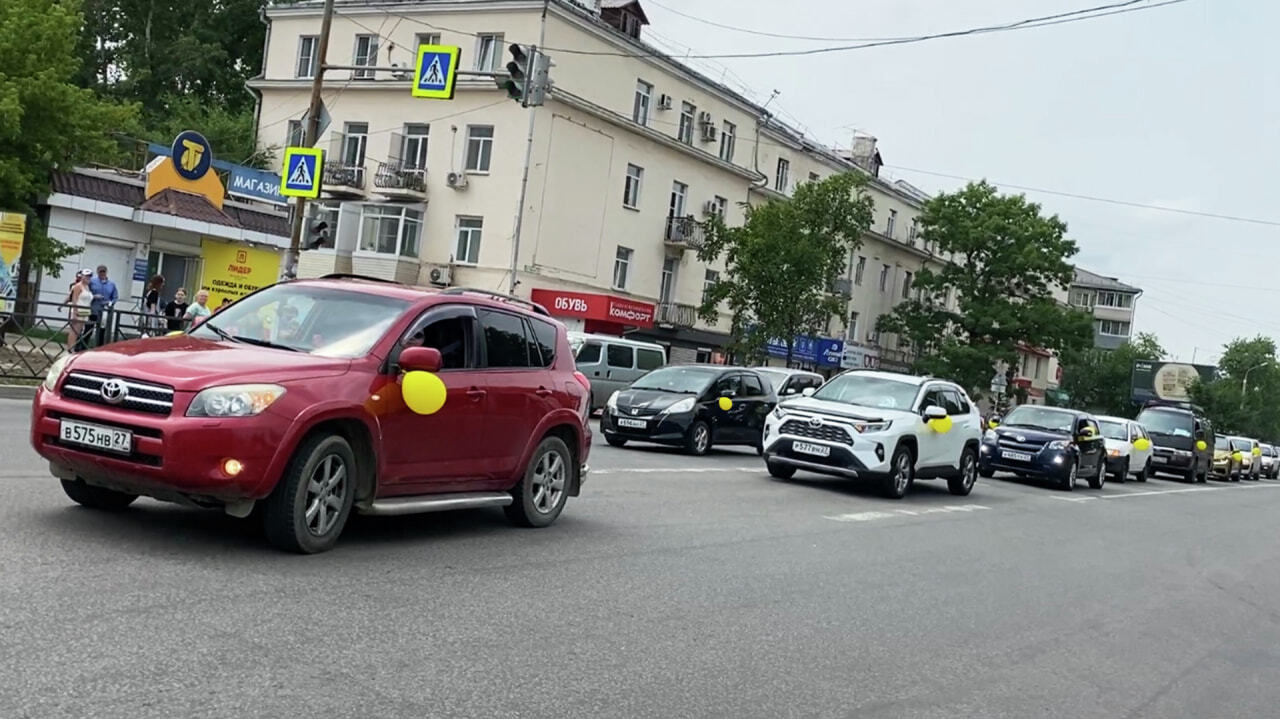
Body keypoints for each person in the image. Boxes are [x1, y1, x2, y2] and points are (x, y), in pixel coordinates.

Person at [87, 264, 118, 347]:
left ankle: (99, 347)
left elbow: (115, 297)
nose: (102, 273)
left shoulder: (111, 284)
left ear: (106, 272)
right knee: (88, 329)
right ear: (97, 272)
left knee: (102, 330)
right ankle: (82, 347)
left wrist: (110, 303)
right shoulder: (92, 282)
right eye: (100, 271)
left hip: (104, 311)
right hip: (93, 309)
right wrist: (93, 296)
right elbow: (86, 293)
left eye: (103, 271)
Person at [67, 270, 93, 351]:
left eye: (89, 276)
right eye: (86, 276)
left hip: (85, 312)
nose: (88, 278)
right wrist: (75, 312)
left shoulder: (87, 287)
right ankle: (70, 349)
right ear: (82, 276)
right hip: (78, 311)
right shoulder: (78, 286)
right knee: (74, 331)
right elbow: (74, 299)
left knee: (79, 331)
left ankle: (73, 348)